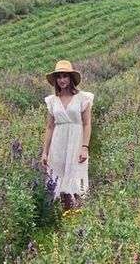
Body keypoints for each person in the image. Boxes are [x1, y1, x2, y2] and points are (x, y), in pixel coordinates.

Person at [41, 60, 93, 211]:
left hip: (76, 141)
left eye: (65, 76)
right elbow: (50, 127)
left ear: (71, 78)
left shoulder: (83, 98)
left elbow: (86, 124)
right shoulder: (52, 101)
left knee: (77, 177)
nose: (62, 80)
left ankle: (81, 216)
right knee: (58, 178)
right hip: (59, 142)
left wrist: (85, 147)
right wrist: (45, 152)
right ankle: (66, 216)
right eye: (59, 77)